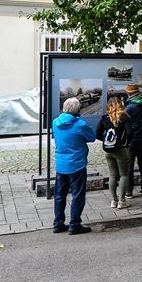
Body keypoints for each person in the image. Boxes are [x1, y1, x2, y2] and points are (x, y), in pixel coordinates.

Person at [52, 97, 96, 235]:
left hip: (60, 164)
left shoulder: (55, 122)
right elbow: (92, 137)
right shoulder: (80, 125)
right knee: (77, 195)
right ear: (77, 109)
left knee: (59, 195)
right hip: (76, 163)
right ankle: (75, 224)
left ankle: (58, 223)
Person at [96, 96, 131, 209]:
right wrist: (124, 142)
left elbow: (97, 134)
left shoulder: (104, 118)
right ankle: (122, 201)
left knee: (112, 175)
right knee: (124, 175)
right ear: (120, 104)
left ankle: (113, 201)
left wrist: (107, 141)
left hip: (108, 150)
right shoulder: (124, 117)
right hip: (121, 150)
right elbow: (130, 133)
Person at [125, 83, 142, 198]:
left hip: (131, 141)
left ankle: (129, 191)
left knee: (129, 167)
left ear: (130, 93)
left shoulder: (130, 107)